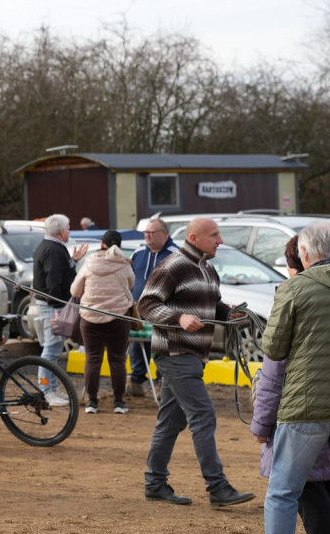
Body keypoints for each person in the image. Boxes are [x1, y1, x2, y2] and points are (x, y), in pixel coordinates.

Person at [138, 217, 254, 507]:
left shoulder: (207, 269)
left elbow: (213, 306)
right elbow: (147, 305)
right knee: (203, 415)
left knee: (170, 422)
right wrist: (178, 317)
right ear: (194, 238)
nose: (220, 240)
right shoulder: (172, 266)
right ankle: (217, 487)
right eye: (214, 235)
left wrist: (229, 316)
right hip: (176, 354)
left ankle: (155, 483)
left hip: (192, 356)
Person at [247, 222, 330, 534]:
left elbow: (275, 348)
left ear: (307, 254)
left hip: (306, 407)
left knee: (282, 493)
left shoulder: (295, 288)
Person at [70, 230, 135, 415]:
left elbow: (75, 291)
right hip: (118, 318)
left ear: (101, 243)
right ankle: (119, 403)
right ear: (120, 246)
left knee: (92, 359)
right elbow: (131, 285)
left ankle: (92, 402)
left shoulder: (89, 263)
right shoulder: (124, 264)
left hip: (90, 318)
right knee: (117, 360)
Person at [32, 214, 88, 405]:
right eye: (69, 228)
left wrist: (73, 260)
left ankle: (51, 388)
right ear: (62, 231)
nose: (70, 231)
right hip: (52, 306)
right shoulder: (53, 250)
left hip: (51, 305)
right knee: (51, 349)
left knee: (53, 348)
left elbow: (58, 276)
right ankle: (46, 390)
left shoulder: (52, 247)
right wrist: (58, 309)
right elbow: (53, 283)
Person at [127, 218, 178, 397]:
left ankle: (161, 381)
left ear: (164, 234)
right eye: (145, 233)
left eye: (151, 233)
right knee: (136, 346)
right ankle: (136, 379)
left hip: (163, 310)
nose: (147, 236)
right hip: (138, 309)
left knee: (161, 344)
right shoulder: (138, 252)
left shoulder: (176, 254)